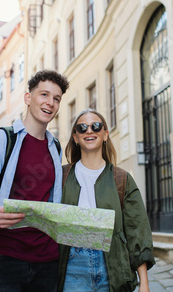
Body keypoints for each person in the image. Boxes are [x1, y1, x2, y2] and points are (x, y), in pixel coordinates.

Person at [0, 69, 69, 292]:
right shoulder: (0, 140)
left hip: (47, 258)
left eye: (56, 98)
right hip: (4, 256)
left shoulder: (55, 147)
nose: (51, 103)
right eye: (44, 95)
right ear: (28, 98)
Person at [58, 108, 155, 292]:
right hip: (72, 269)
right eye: (82, 127)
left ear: (105, 135)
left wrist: (145, 283)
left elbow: (137, 230)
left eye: (96, 126)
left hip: (113, 268)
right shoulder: (61, 176)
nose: (89, 130)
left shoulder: (121, 179)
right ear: (76, 137)